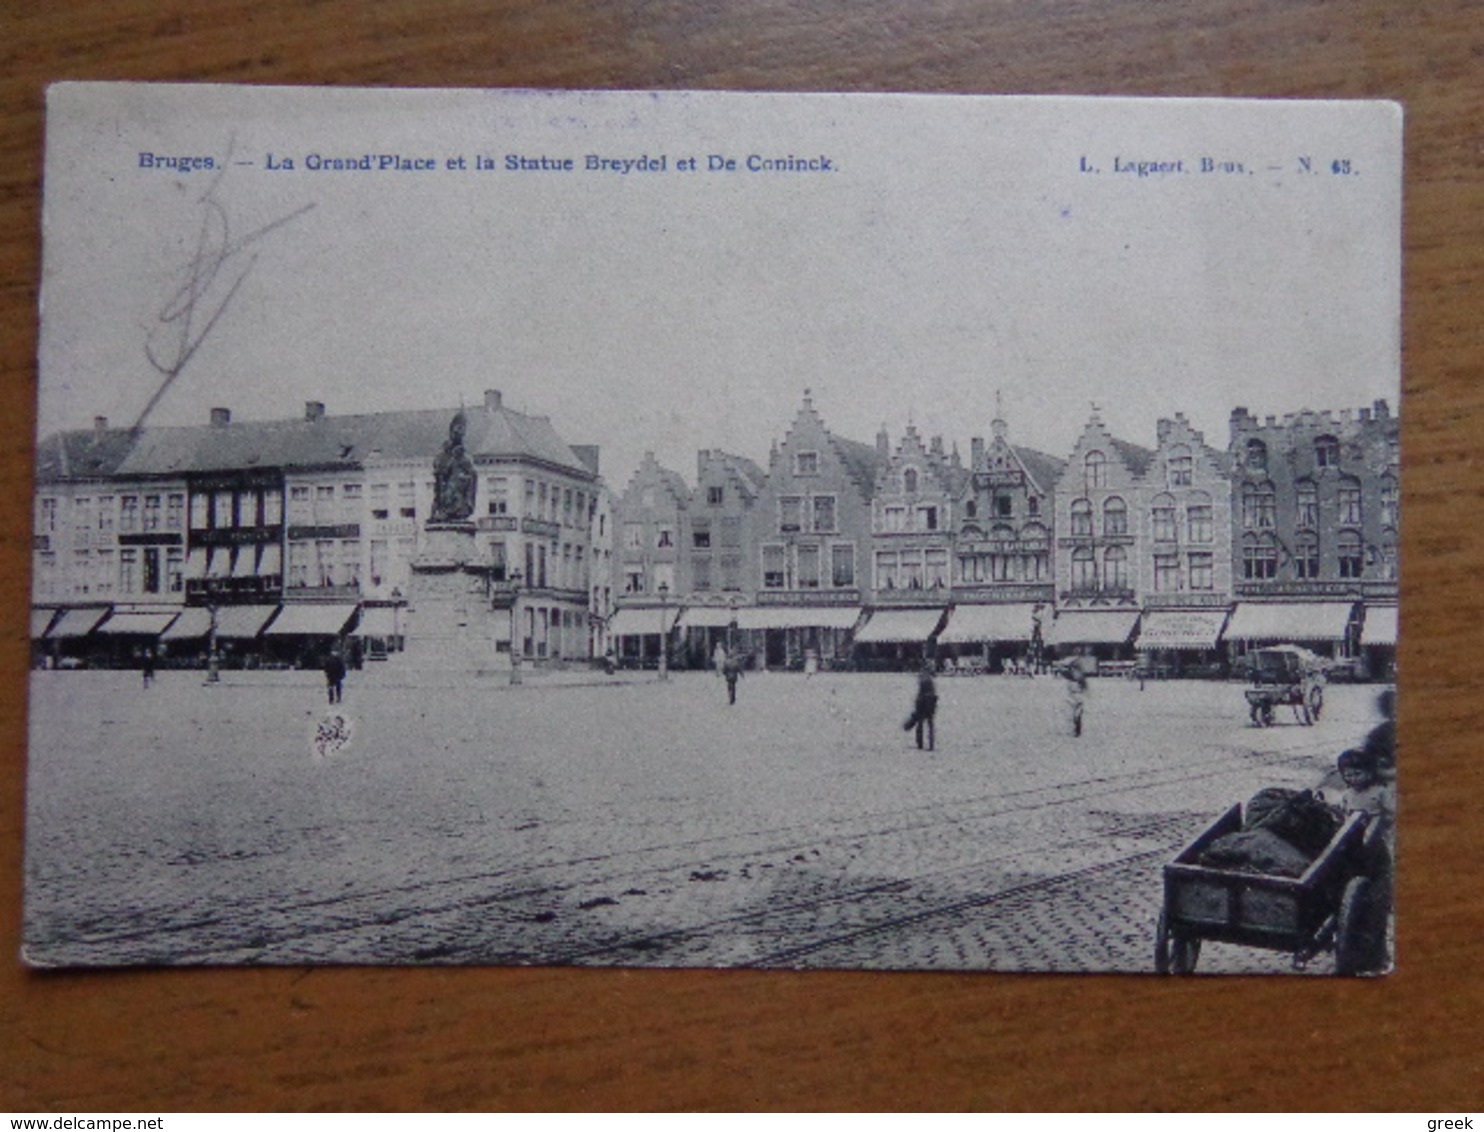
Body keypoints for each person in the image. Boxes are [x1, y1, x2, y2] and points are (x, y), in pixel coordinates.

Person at [902, 661, 938, 750]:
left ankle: (920, 744)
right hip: (929, 702)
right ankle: (930, 744)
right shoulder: (928, 678)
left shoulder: (922, 677)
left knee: (921, 723)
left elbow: (921, 693)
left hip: (923, 702)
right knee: (929, 724)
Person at [1060, 662, 1088, 737]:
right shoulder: (1073, 677)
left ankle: (1076, 730)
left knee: (1076, 715)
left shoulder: (1078, 678)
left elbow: (1084, 687)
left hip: (1076, 697)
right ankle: (1075, 730)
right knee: (1073, 715)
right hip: (1073, 697)